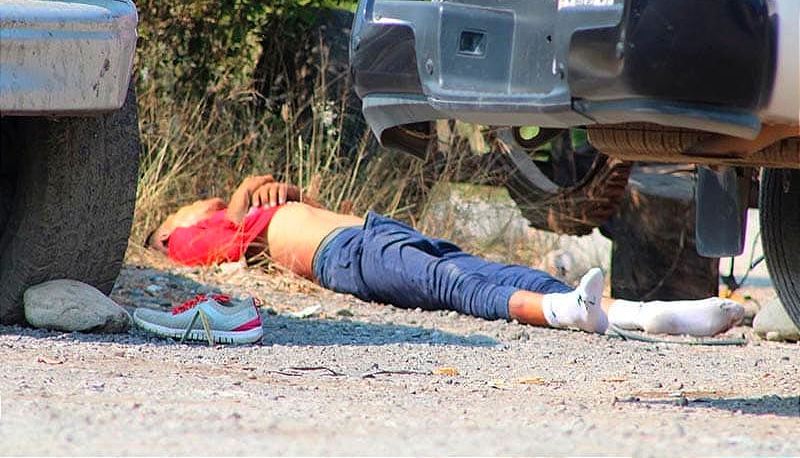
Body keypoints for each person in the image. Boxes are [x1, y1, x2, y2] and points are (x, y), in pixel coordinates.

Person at [137, 175, 745, 343]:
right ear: (171, 234)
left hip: (374, 234)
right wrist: (244, 195)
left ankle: (644, 313)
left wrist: (261, 189)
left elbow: (262, 206)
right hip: (350, 256)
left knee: (487, 269)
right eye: (188, 207)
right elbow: (228, 232)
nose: (203, 201)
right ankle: (564, 313)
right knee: (455, 285)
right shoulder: (184, 242)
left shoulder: (237, 217)